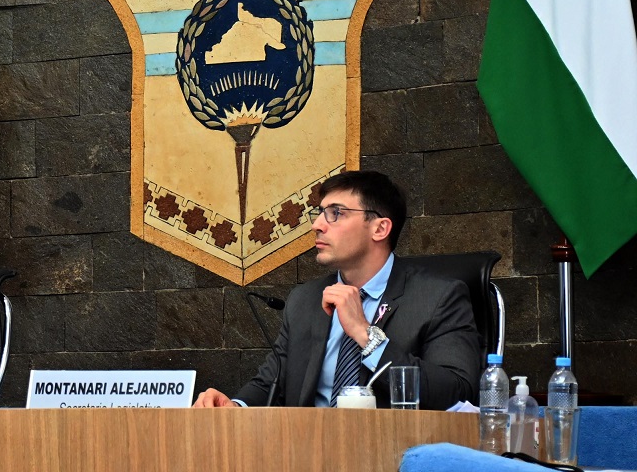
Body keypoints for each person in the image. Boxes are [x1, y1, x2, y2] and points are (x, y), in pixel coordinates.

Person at [194, 170, 479, 410]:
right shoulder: (305, 300)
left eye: (336, 214)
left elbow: (457, 392)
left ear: (380, 228)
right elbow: (273, 382)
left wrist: (366, 335)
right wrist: (236, 406)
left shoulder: (439, 297)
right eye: (320, 214)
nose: (318, 225)